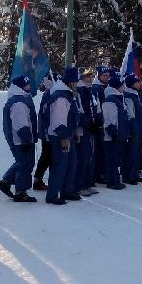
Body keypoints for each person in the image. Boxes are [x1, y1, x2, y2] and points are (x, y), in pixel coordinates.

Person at [0, 74, 39, 202]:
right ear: (21, 86)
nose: (29, 86)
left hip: (20, 138)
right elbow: (20, 124)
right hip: (21, 139)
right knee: (25, 164)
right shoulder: (18, 102)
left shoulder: (20, 98)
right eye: (27, 84)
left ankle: (6, 181)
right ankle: (21, 192)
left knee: (21, 163)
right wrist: (26, 139)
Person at [45, 67, 81, 204]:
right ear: (70, 82)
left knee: (71, 163)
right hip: (60, 135)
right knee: (60, 165)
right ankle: (52, 195)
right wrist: (64, 136)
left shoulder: (68, 94)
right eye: (75, 81)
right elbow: (58, 120)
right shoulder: (61, 96)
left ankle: (67, 191)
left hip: (68, 134)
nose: (77, 84)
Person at [75, 67, 100, 196]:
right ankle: (79, 185)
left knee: (91, 157)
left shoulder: (92, 90)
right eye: (87, 77)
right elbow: (78, 112)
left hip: (92, 129)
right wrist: (88, 123)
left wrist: (99, 120)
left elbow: (97, 107)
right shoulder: (78, 91)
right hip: (83, 130)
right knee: (83, 157)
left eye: (91, 76)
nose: (90, 79)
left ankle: (87, 182)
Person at [102, 75, 129, 190]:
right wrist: (113, 132)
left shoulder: (118, 98)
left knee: (116, 159)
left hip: (118, 134)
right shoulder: (110, 100)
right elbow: (109, 118)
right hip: (111, 135)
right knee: (112, 159)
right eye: (122, 85)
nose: (124, 87)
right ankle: (111, 181)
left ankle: (116, 179)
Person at [32, 72, 57, 191]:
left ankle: (40, 179)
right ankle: (39, 180)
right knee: (48, 156)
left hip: (47, 130)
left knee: (47, 156)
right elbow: (47, 114)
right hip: (48, 131)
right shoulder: (50, 94)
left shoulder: (50, 93)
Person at [122, 73, 142, 184]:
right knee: (131, 154)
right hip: (133, 130)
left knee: (137, 154)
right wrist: (133, 128)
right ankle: (128, 176)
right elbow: (130, 114)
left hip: (140, 128)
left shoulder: (137, 95)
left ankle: (135, 173)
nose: (139, 84)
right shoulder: (128, 96)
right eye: (137, 82)